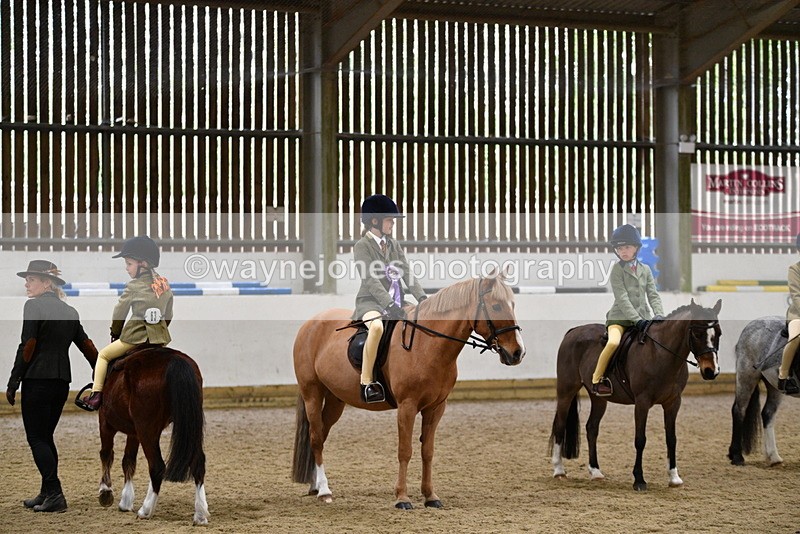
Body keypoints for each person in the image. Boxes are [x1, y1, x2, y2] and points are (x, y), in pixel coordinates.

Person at [6, 260, 98, 512]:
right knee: (45, 437)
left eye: (31, 280)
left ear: (47, 283)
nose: (26, 284)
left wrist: (14, 381)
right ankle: (46, 492)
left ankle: (55, 493)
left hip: (37, 380)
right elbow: (87, 346)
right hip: (61, 383)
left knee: (36, 438)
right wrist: (101, 370)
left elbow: (28, 345)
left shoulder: (33, 306)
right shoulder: (70, 312)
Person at [81, 236, 174, 411]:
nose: (126, 268)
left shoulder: (133, 286)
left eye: (129, 263)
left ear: (143, 264)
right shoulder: (163, 284)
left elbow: (119, 313)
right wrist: (159, 331)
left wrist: (116, 332)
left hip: (134, 337)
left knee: (103, 356)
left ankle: (96, 395)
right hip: (159, 339)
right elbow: (169, 313)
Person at [353, 194, 427, 403]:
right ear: (374, 221)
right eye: (389, 220)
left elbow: (406, 272)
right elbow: (369, 279)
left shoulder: (393, 244)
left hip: (397, 300)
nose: (392, 224)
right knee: (377, 328)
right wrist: (388, 304)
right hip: (370, 302)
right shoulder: (362, 246)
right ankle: (367, 382)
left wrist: (422, 297)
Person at [591, 224, 664, 396]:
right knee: (613, 343)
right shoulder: (617, 270)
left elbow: (653, 294)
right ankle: (597, 379)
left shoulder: (646, 270)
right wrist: (637, 320)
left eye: (627, 247)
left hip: (644, 318)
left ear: (636, 248)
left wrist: (659, 313)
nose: (623, 251)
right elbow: (622, 299)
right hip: (620, 319)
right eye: (619, 248)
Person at [778, 233, 800, 395]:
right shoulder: (795, 269)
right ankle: (784, 375)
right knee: (796, 338)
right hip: (797, 314)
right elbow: (796, 295)